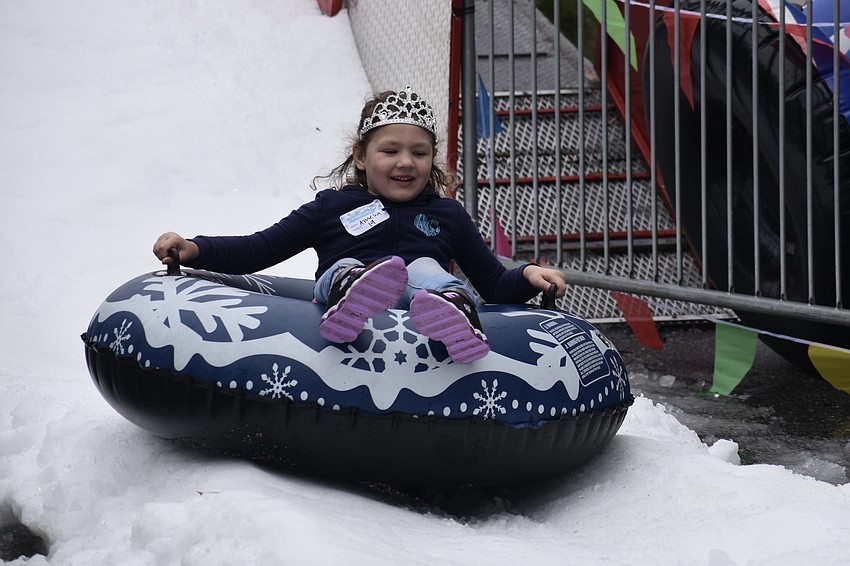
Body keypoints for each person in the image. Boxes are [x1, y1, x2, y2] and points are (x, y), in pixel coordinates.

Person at [153, 85, 567, 363]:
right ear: (360, 156)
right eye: (390, 150)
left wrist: (530, 275)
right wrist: (196, 248)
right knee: (344, 267)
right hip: (345, 288)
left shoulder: (448, 215)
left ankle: (451, 312)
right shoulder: (331, 207)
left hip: (420, 305)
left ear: (432, 159)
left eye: (419, 153)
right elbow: (260, 248)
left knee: (424, 269)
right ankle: (354, 292)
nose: (406, 162)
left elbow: (493, 284)